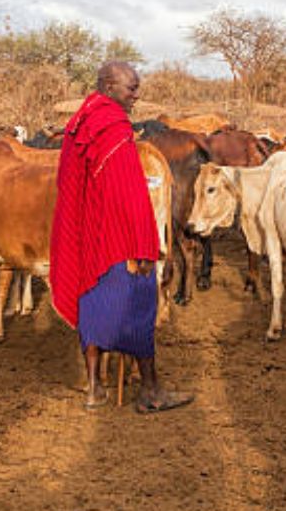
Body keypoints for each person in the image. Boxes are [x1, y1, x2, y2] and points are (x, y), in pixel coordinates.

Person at [49, 61, 194, 413]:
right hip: (117, 239)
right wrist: (144, 244)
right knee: (140, 306)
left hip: (88, 235)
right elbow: (128, 192)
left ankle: (94, 389)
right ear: (110, 86)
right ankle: (150, 390)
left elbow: (70, 186)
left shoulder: (79, 121)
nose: (136, 95)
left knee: (92, 305)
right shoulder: (113, 125)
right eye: (132, 88)